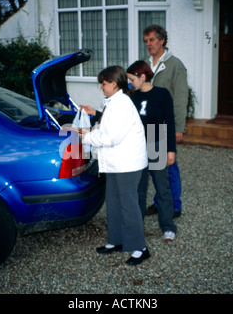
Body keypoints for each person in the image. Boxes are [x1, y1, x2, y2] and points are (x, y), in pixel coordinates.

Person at [79, 66, 150, 266]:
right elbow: (106, 128)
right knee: (114, 203)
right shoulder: (112, 102)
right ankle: (117, 241)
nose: (101, 87)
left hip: (127, 163)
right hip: (116, 163)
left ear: (114, 83)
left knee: (128, 206)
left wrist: (87, 137)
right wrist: (93, 125)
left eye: (104, 83)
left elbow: (111, 137)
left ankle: (140, 248)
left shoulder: (122, 104)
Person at [127, 60, 178, 241]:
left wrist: (170, 150)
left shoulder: (162, 94)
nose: (130, 83)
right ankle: (137, 226)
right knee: (138, 190)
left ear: (142, 76)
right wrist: (96, 114)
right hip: (138, 146)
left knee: (162, 188)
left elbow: (170, 123)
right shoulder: (132, 97)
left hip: (157, 140)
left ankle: (168, 226)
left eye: (132, 79)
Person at [143, 24, 189, 219]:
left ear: (162, 40)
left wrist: (178, 127)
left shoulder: (175, 65)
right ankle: (159, 201)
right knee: (155, 167)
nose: (149, 44)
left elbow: (180, 98)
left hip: (164, 125)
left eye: (152, 40)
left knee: (169, 166)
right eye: (146, 41)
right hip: (148, 125)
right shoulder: (145, 65)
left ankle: (175, 206)